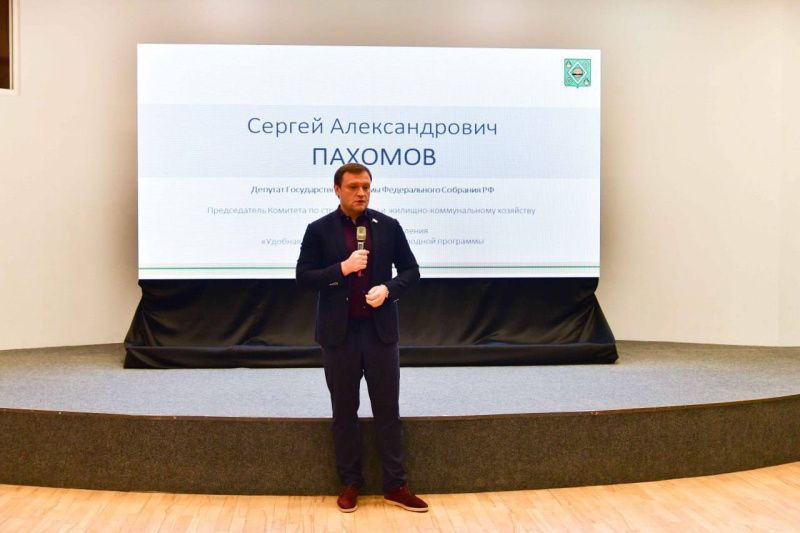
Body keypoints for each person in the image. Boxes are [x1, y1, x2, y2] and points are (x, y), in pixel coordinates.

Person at [296, 162, 428, 513]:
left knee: (388, 410)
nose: (361, 193)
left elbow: (412, 271)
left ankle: (395, 484)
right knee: (344, 412)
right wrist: (342, 268)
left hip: (379, 333)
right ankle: (350, 482)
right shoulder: (319, 230)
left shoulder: (388, 226)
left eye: (366, 187)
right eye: (354, 187)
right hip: (338, 336)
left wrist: (388, 289)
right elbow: (304, 277)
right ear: (337, 189)